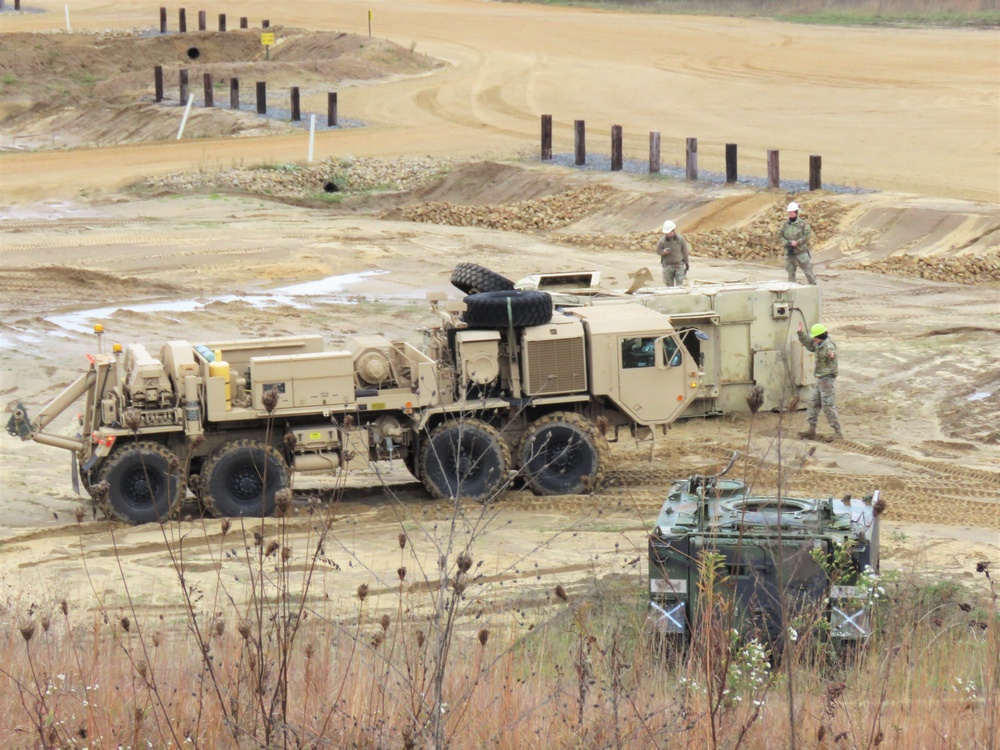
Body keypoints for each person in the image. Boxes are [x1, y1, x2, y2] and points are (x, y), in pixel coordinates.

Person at [797, 322, 842, 441]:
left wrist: (831, 355)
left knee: (828, 405)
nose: (814, 340)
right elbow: (809, 344)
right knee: (813, 403)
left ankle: (838, 432)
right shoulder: (818, 344)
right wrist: (801, 333)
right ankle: (811, 430)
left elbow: (832, 353)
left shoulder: (828, 346)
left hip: (827, 379)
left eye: (815, 337)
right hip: (820, 379)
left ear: (819, 337)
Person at [777, 202, 817, 285]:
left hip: (801, 251)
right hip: (789, 252)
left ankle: (814, 287)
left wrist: (798, 242)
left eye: (792, 212)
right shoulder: (785, 224)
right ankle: (792, 289)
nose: (790, 214)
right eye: (789, 213)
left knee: (808, 271)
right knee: (790, 272)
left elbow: (807, 236)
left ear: (796, 212)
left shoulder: (803, 224)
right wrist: (786, 243)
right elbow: (779, 235)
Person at [656, 220, 690, 287]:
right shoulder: (662, 241)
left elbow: (685, 251)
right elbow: (658, 251)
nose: (668, 234)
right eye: (667, 232)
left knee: (680, 285)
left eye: (669, 232)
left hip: (679, 265)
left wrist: (686, 262)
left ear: (673, 230)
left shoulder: (680, 239)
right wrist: (664, 252)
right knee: (669, 286)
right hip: (667, 265)